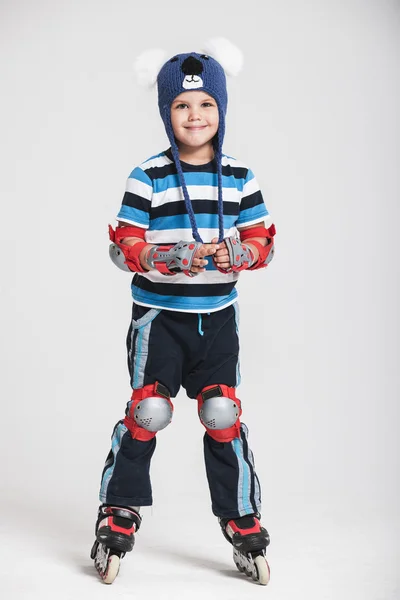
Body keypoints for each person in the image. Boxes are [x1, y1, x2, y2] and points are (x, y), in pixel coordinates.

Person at [90, 41, 276, 585]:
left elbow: (264, 237)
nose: (195, 116)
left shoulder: (239, 176)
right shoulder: (147, 175)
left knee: (222, 415)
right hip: (160, 317)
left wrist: (240, 253)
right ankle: (118, 510)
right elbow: (122, 243)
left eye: (206, 106)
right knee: (150, 413)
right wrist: (163, 257)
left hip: (217, 317)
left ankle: (242, 518)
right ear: (167, 112)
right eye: (182, 106)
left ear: (221, 109)